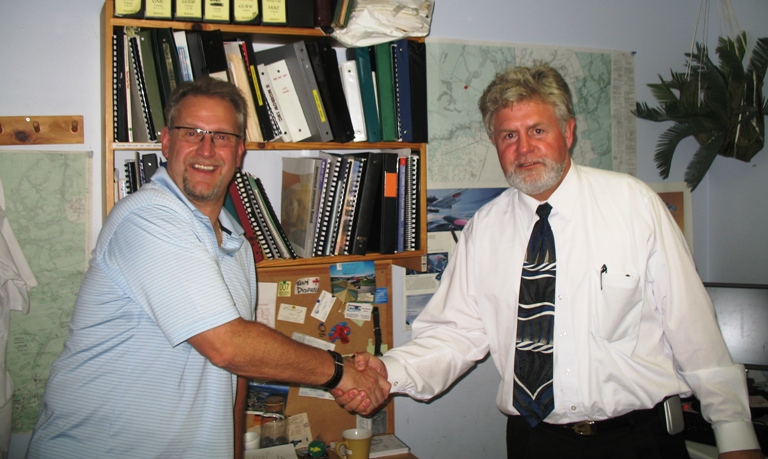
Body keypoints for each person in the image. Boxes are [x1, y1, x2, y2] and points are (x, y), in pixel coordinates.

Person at [334, 64, 762, 458]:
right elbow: (455, 335)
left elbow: (692, 325)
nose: (524, 148)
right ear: (495, 144)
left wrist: (735, 434)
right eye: (508, 136)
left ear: (568, 131)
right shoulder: (484, 229)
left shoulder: (632, 204)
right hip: (535, 441)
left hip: (637, 439)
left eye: (537, 130)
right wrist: (387, 372)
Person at [26, 77, 389, 459]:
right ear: (166, 141)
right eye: (192, 132)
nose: (206, 149)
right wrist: (338, 372)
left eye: (221, 136)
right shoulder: (148, 218)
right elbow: (227, 346)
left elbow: (233, 374)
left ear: (239, 151)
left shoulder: (237, 244)